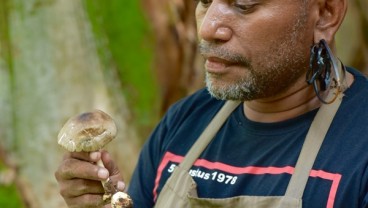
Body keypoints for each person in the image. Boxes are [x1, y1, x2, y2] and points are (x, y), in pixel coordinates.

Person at [55, 0, 368, 207]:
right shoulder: (183, 123)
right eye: (205, 0)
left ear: (325, 13)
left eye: (243, 4)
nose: (207, 28)